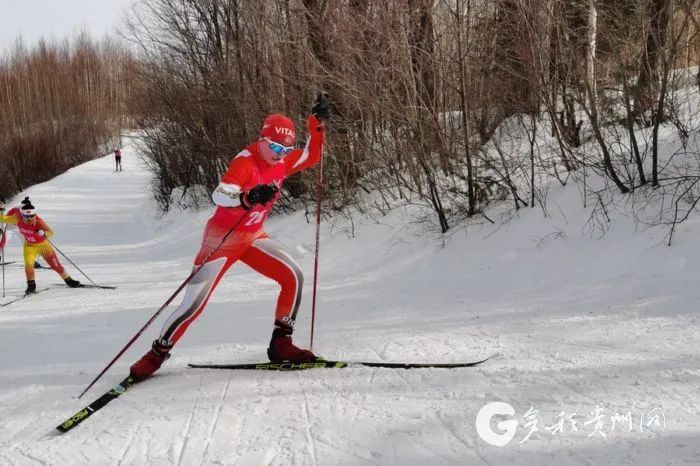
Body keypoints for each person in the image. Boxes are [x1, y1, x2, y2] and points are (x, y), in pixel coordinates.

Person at [129, 93, 331, 380]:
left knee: (293, 276)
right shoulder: (246, 161)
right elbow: (219, 194)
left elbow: (312, 155)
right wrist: (247, 197)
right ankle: (157, 353)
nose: (279, 154)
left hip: (252, 237)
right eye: (274, 146)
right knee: (193, 304)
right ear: (262, 139)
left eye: (285, 150)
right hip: (221, 240)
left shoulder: (282, 162)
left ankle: (281, 343)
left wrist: (316, 123)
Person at [0, 197, 81, 293]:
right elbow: (3, 219)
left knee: (55, 265)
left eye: (32, 216)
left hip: (43, 245)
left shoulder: (38, 222)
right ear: (22, 215)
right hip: (29, 246)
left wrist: (44, 234)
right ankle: (31, 286)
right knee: (29, 265)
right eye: (26, 216)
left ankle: (69, 280)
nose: (29, 219)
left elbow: (50, 232)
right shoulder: (17, 219)